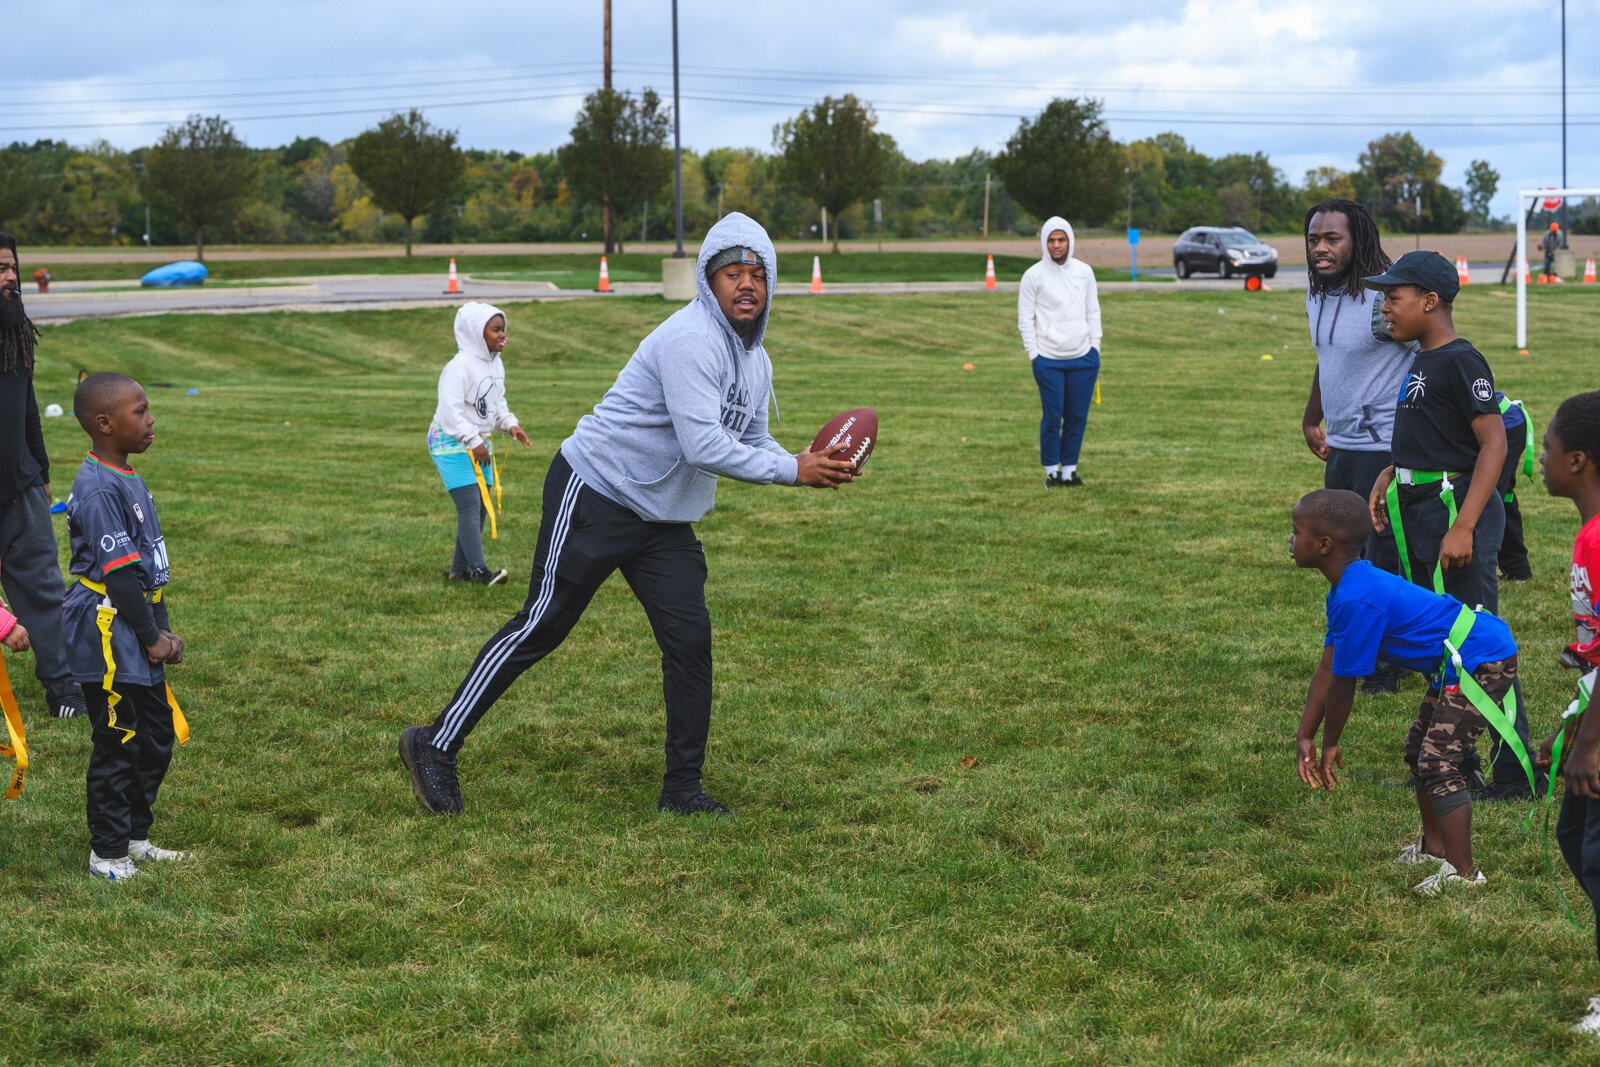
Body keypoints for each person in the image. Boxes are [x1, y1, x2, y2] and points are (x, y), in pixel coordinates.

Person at [398, 213, 859, 818]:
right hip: (598, 492)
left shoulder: (755, 358)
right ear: (708, 282)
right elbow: (705, 446)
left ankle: (682, 790)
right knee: (544, 625)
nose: (747, 285)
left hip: (663, 518)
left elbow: (752, 437)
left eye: (758, 275)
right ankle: (432, 744)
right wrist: (791, 471)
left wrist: (802, 461)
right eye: (732, 274)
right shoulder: (692, 339)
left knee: (690, 642)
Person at [1291, 489, 1527, 895]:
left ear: (1324, 545)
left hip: (1481, 660)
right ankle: (1434, 849)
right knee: (1419, 749)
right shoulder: (1347, 587)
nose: (1291, 540)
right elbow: (1328, 668)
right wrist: (1305, 734)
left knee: (1439, 762)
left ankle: (1464, 874)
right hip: (1458, 659)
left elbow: (1344, 684)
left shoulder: (1355, 597)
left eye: (1296, 532)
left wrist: (1331, 742)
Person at [62, 373, 190, 880]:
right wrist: (152, 637)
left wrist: (161, 627)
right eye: (139, 411)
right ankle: (107, 853)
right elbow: (117, 577)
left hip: (136, 624)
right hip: (108, 632)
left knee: (156, 736)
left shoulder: (127, 475)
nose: (150, 418)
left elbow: (143, 570)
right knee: (118, 739)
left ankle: (136, 837)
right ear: (104, 423)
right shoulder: (96, 489)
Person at [1300, 199, 1413, 693]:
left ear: (1357, 241)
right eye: (1314, 239)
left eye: (1332, 239)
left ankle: (1387, 665)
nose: (1320, 248)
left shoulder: (1381, 299)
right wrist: (1312, 417)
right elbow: (1328, 359)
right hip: (1342, 447)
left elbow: (1432, 352)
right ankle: (1365, 651)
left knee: (1382, 558)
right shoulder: (1317, 295)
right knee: (1345, 556)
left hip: (1384, 449)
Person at [1530, 391, 1600, 1036]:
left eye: (1546, 449)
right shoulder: (1588, 534)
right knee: (1574, 840)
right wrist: (1571, 727)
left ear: (1577, 459)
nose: (1540, 458)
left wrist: (1590, 746)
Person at [0, 233, 86, 720]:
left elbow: (28, 407)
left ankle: (65, 687)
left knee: (45, 589)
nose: (11, 277)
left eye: (12, 266)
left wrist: (41, 469)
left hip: (21, 488)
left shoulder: (14, 330)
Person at [428, 301, 531, 586]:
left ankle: (458, 571)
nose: (501, 335)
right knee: (470, 506)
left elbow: (496, 403)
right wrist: (473, 440)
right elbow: (450, 412)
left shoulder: (495, 365)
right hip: (450, 441)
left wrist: (510, 424)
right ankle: (479, 570)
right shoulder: (458, 367)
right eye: (495, 329)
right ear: (477, 333)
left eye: (503, 329)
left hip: (478, 441)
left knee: (482, 505)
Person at [1018, 215, 1100, 489]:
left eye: (1061, 240)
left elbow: (1093, 311)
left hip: (1083, 359)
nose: (1056, 245)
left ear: (1069, 241)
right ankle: (1052, 471)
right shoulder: (1033, 276)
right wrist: (1035, 355)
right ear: (1044, 242)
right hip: (1048, 361)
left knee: (1077, 416)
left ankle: (1070, 471)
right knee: (1053, 416)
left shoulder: (1084, 272)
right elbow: (1025, 319)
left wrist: (1094, 348)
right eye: (1051, 240)